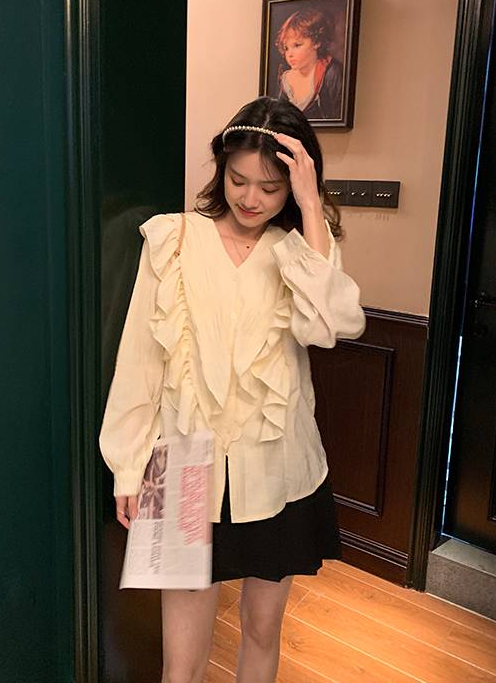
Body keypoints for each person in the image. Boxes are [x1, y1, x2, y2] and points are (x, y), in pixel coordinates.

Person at [99, 96, 366, 683]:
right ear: (221, 168)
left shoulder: (302, 251)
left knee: (263, 629)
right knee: (181, 662)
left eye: (271, 187)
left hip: (279, 469)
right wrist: (128, 467)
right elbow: (140, 361)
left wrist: (312, 206)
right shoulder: (174, 239)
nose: (250, 198)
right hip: (181, 468)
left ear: (293, 185)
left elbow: (329, 327)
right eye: (238, 179)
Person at [274, 8, 344, 120]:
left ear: (317, 42)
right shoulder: (286, 79)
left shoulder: (332, 72)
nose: (289, 54)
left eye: (297, 45)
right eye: (286, 48)